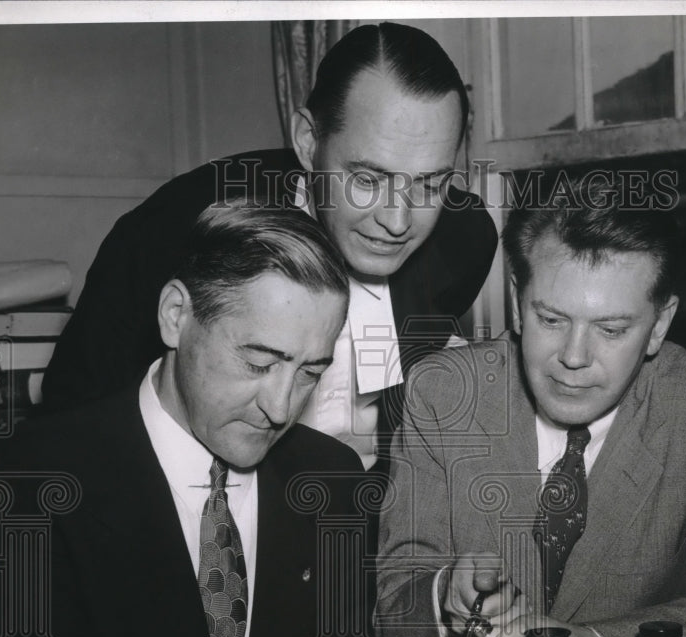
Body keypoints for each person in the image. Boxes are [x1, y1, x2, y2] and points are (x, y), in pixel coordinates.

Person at [0, 207, 420, 637]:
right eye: (259, 361)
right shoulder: (24, 479)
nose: (280, 407)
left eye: (310, 372)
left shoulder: (334, 478)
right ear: (176, 317)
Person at [376, 179, 686, 637]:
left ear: (659, 326)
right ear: (518, 305)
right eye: (550, 319)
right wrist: (441, 599)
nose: (573, 356)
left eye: (611, 330)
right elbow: (395, 615)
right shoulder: (444, 394)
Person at [41, 22, 498, 470]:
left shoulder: (462, 240)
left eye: (429, 186)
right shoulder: (177, 231)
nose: (397, 222)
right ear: (307, 141)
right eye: (366, 179)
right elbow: (72, 425)